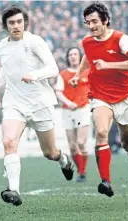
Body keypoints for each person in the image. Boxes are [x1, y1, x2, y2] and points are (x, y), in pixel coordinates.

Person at [0, 4, 74, 206]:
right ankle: (14, 190)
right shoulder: (1, 47)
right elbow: (6, 68)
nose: (16, 26)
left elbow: (53, 68)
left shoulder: (35, 42)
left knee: (49, 153)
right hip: (14, 103)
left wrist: (34, 75)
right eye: (11, 23)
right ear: (5, 26)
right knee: (9, 142)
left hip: (39, 103)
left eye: (19, 21)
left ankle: (64, 160)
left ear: (24, 22)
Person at [69, 2, 128, 197]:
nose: (91, 26)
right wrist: (78, 74)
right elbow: (88, 57)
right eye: (87, 22)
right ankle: (106, 182)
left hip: (124, 97)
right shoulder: (87, 41)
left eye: (94, 21)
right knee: (101, 132)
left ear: (105, 20)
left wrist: (108, 65)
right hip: (100, 96)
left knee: (127, 143)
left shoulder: (122, 39)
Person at [55, 47, 90, 182]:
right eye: (70, 54)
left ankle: (82, 171)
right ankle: (80, 170)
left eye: (75, 54)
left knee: (81, 143)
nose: (73, 56)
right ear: (67, 57)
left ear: (80, 56)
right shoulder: (63, 74)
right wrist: (68, 103)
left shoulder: (87, 72)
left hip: (83, 110)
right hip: (67, 111)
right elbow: (58, 92)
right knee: (72, 146)